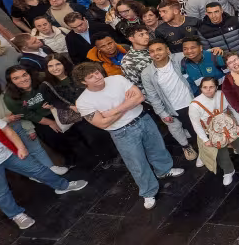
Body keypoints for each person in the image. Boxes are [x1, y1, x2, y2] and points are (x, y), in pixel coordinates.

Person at [0, 108, 88, 230]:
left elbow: (7, 130)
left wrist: (20, 147)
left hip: (8, 153)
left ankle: (62, 185)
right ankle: (16, 215)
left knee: (38, 169)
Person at [74, 62, 183, 209]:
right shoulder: (83, 101)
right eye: (91, 77)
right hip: (121, 131)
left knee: (157, 148)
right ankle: (148, 191)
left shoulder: (117, 79)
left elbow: (139, 98)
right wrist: (127, 104)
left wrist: (113, 111)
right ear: (83, 82)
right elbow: (103, 124)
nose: (97, 77)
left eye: (97, 73)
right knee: (136, 163)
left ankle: (164, 170)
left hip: (143, 118)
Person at [188, 77, 239, 185]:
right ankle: (228, 171)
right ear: (201, 88)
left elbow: (234, 109)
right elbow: (196, 125)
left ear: (216, 87)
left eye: (211, 87)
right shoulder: (194, 105)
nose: (208, 90)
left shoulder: (223, 95)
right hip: (212, 132)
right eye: (205, 87)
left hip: (230, 126)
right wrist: (205, 139)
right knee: (220, 152)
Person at [138, 38, 200, 163]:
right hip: (173, 107)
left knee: (198, 129)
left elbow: (197, 52)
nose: (156, 53)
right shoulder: (147, 73)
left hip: (191, 102)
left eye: (159, 49)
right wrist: (162, 113)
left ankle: (206, 153)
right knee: (183, 130)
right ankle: (190, 149)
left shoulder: (178, 58)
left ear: (167, 50)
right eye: (152, 51)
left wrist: (215, 50)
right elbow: (152, 95)